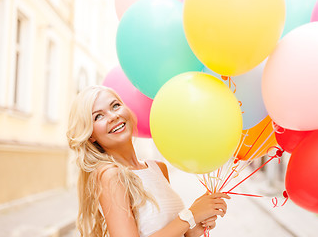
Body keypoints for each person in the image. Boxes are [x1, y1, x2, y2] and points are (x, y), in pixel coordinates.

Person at [66, 85, 230, 237]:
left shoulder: (158, 168)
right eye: (99, 116)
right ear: (91, 135)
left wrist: (195, 224)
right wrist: (190, 215)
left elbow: (172, 231)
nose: (113, 116)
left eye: (115, 106)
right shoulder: (111, 175)